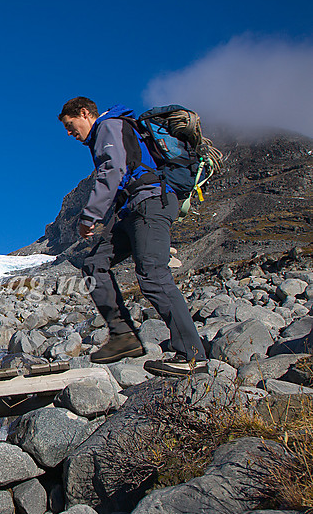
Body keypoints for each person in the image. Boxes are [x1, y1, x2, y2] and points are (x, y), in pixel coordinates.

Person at [58, 96, 207, 377]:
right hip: (132, 209)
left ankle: (191, 356)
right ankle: (123, 337)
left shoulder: (108, 125)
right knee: (94, 265)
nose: (70, 133)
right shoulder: (110, 130)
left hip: (150, 203)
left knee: (152, 274)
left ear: (84, 112)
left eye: (70, 125)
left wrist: (90, 215)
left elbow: (113, 169)